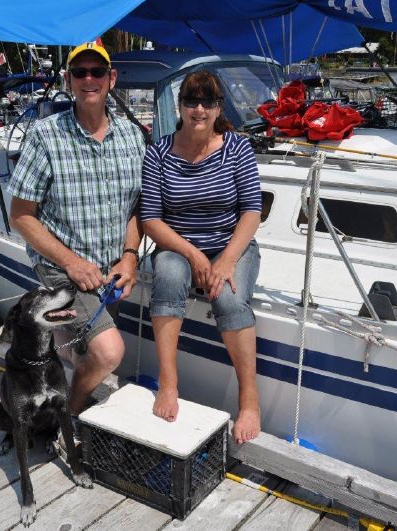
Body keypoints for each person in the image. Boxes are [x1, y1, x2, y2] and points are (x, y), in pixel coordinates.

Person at [7, 41, 145, 417]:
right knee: (109, 352)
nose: (89, 79)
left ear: (111, 79)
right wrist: (72, 263)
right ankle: (68, 414)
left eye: (97, 72)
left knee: (94, 349)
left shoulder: (133, 138)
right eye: (80, 73)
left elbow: (136, 207)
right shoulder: (45, 135)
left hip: (111, 267)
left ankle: (60, 349)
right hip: (62, 265)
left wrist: (130, 257)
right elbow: (20, 215)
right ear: (68, 81)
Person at [140, 71, 262, 444]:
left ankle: (250, 400)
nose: (199, 109)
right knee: (170, 276)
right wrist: (193, 254)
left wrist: (225, 260)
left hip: (231, 245)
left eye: (207, 101)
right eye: (191, 100)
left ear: (218, 108)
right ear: (179, 106)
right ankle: (169, 384)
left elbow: (252, 211)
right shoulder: (159, 152)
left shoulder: (237, 148)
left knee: (227, 296)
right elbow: (150, 219)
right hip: (179, 246)